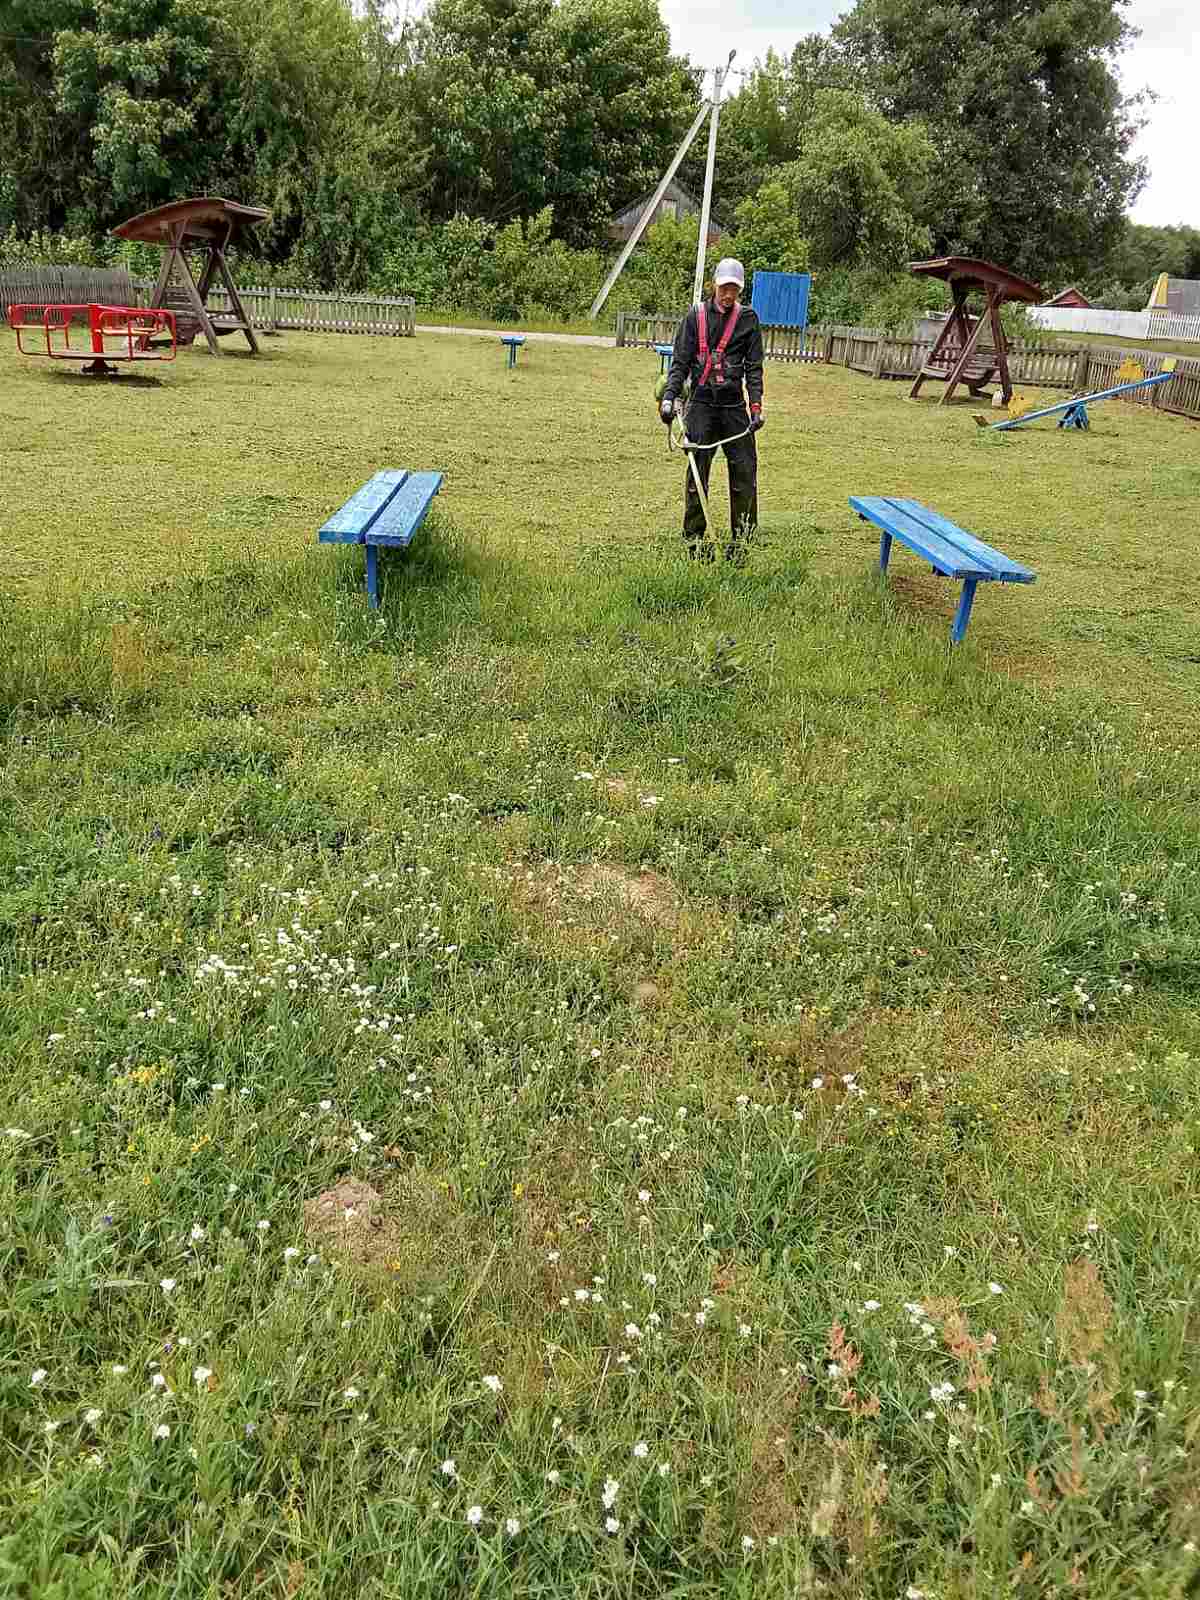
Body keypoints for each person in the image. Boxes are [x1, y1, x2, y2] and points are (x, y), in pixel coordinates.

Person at [660, 259, 764, 561]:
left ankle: (743, 545)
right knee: (697, 476)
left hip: (734, 407)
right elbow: (680, 363)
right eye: (724, 288)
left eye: (734, 289)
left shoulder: (748, 320)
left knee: (745, 473)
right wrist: (669, 398)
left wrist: (756, 406)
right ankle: (694, 544)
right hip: (701, 405)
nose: (728, 294)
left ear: (740, 290)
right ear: (714, 285)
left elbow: (754, 368)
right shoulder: (695, 317)